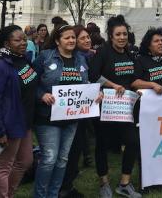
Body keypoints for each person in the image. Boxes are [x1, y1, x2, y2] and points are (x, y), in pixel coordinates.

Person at [33, 24, 99, 198]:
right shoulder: (45, 57)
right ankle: (40, 195)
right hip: (48, 117)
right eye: (66, 38)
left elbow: (84, 85)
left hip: (72, 118)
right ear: (57, 40)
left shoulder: (81, 59)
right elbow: (30, 83)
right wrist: (42, 95)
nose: (71, 40)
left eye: (73, 37)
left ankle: (53, 194)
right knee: (49, 159)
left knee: (62, 160)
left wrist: (94, 94)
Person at [90, 15, 142, 198]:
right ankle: (104, 183)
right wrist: (112, 86)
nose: (122, 37)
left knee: (133, 142)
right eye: (118, 34)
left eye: (124, 34)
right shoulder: (103, 52)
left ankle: (124, 183)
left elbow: (133, 78)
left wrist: (138, 89)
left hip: (125, 108)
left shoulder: (130, 53)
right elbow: (93, 75)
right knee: (103, 145)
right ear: (111, 36)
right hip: (106, 106)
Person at [0, 25, 38, 198]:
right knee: (5, 165)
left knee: (25, 161)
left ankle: (9, 193)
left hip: (26, 121)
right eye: (17, 40)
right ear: (7, 43)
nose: (23, 42)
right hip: (10, 123)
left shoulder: (23, 59)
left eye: (24, 39)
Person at [61, 25, 95, 198]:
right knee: (67, 150)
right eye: (82, 38)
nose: (87, 40)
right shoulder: (69, 58)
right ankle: (63, 186)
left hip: (81, 110)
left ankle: (68, 184)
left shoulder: (85, 57)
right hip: (65, 111)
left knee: (77, 147)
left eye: (88, 37)